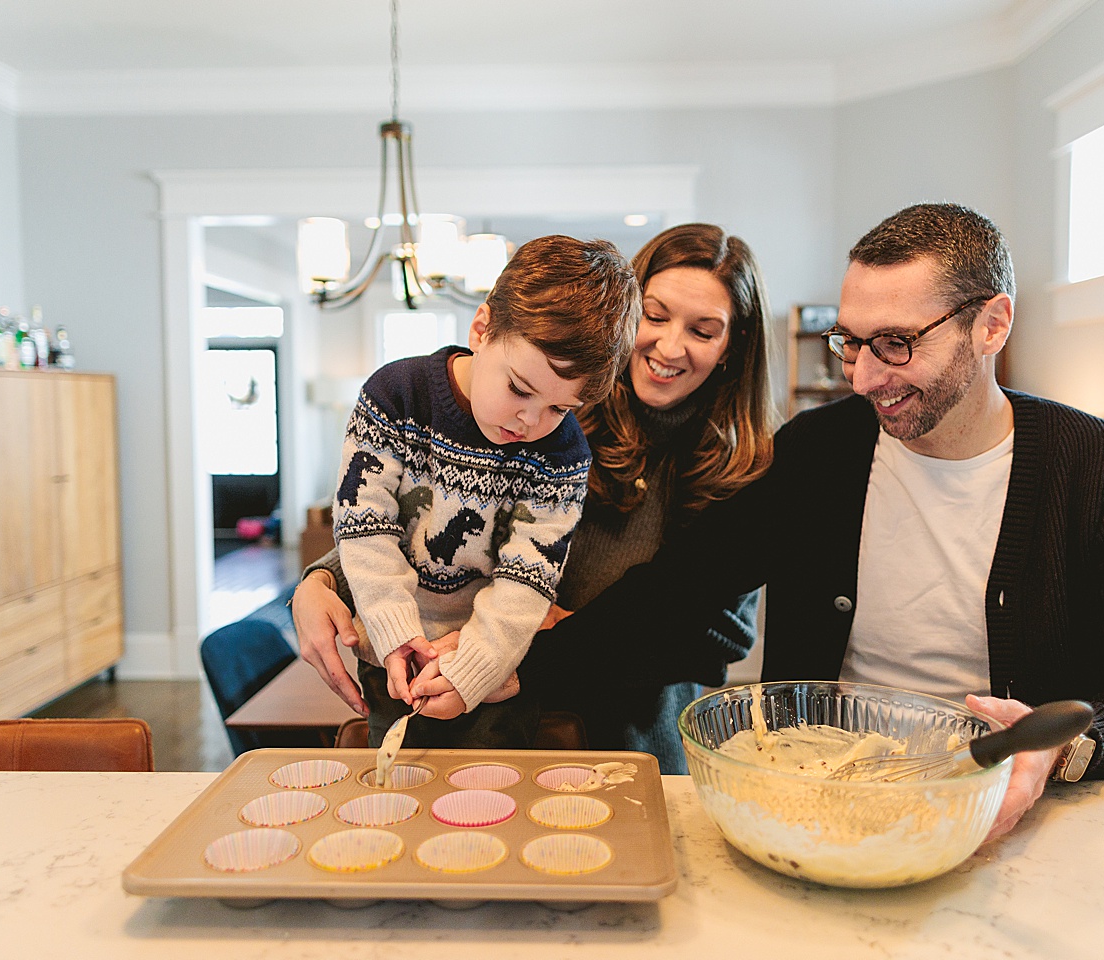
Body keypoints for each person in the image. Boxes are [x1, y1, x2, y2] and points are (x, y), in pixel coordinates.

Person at [518, 203, 1104, 840]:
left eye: (896, 344)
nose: (864, 377)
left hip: (1012, 822)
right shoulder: (819, 451)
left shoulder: (1101, 467)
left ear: (991, 325)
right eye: (852, 342)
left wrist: (1062, 749)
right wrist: (509, 665)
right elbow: (676, 592)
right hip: (819, 807)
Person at [295, 223, 778, 771]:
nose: (670, 346)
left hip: (628, 735)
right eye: (655, 315)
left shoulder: (738, 465)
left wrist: (548, 646)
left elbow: (718, 636)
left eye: (703, 330)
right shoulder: (540, 410)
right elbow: (427, 521)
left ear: (733, 345)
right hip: (482, 689)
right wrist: (320, 579)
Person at [326, 234, 641, 749]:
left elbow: (527, 578)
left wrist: (474, 668)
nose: (530, 421)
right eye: (519, 388)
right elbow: (364, 527)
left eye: (559, 408)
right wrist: (394, 633)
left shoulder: (564, 454)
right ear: (481, 329)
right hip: (391, 659)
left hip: (494, 669)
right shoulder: (395, 396)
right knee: (399, 782)